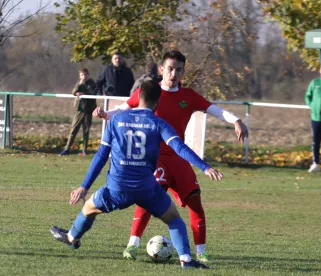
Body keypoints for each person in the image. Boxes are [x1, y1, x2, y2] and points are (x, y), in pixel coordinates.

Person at [93, 50, 249, 263]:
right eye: (170, 68)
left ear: (183, 72)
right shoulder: (148, 92)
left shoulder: (189, 97)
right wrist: (105, 115)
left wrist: (236, 120)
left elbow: (215, 110)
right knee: (147, 201)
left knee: (195, 203)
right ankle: (133, 245)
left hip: (179, 157)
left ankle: (201, 253)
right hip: (154, 158)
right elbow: (123, 109)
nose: (173, 73)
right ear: (161, 70)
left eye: (178, 69)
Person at [50, 80, 223, 269]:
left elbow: (101, 155)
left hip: (117, 189)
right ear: (157, 102)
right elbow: (179, 147)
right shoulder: (158, 124)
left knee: (90, 207)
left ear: (138, 96)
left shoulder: (116, 120)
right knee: (174, 219)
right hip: (147, 189)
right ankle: (186, 260)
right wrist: (205, 167)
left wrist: (84, 186)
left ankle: (72, 237)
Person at [60, 68, 97, 156]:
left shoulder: (91, 83)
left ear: (88, 75)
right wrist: (78, 87)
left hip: (88, 110)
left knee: (86, 131)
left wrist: (84, 93)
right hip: (79, 110)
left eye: (85, 74)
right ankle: (67, 149)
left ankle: (84, 150)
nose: (84, 76)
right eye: (82, 75)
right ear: (80, 76)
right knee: (73, 130)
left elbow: (94, 92)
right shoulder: (79, 83)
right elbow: (73, 92)